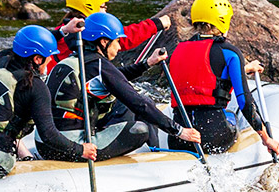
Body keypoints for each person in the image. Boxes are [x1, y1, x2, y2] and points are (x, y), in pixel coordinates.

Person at [38, 12, 202, 162]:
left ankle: (152, 151)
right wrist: (179, 131)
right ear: (104, 42)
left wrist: (147, 64)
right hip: (72, 148)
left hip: (46, 143)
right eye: (116, 41)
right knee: (140, 128)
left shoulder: (74, 60)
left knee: (123, 105)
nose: (119, 47)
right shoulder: (99, 66)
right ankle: (155, 157)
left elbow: (115, 78)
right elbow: (139, 104)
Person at [0, 26, 97, 179]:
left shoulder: (0, 59)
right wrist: (80, 150)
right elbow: (48, 135)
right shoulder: (37, 87)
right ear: (37, 59)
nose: (51, 59)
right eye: (49, 56)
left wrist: (63, 31)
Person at [165, 0, 279, 156]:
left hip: (178, 138)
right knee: (231, 115)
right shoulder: (229, 52)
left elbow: (201, 74)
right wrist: (266, 138)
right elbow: (245, 101)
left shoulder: (177, 50)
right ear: (222, 21)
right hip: (213, 136)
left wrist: (245, 68)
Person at [52, 0, 170, 63]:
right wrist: (156, 24)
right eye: (103, 7)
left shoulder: (65, 26)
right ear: (89, 6)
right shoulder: (83, 29)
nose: (106, 11)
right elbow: (124, 38)